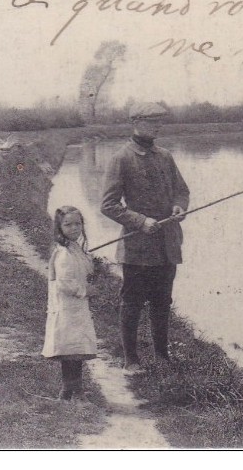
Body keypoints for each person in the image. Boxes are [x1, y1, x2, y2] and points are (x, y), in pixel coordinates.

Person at [100, 102, 190, 372]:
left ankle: (162, 357)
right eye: (152, 121)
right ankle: (131, 359)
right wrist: (140, 221)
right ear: (136, 122)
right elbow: (108, 205)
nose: (157, 126)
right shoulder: (121, 158)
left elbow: (182, 191)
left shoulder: (165, 156)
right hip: (137, 247)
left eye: (160, 121)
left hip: (167, 244)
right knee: (132, 303)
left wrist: (178, 207)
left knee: (163, 302)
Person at [41, 205, 99, 400]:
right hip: (67, 308)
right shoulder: (64, 253)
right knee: (69, 351)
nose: (74, 228)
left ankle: (75, 389)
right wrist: (85, 290)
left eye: (78, 224)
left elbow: (84, 269)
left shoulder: (73, 249)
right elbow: (65, 284)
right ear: (60, 228)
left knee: (76, 349)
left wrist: (89, 260)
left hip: (76, 309)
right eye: (68, 225)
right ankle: (68, 390)